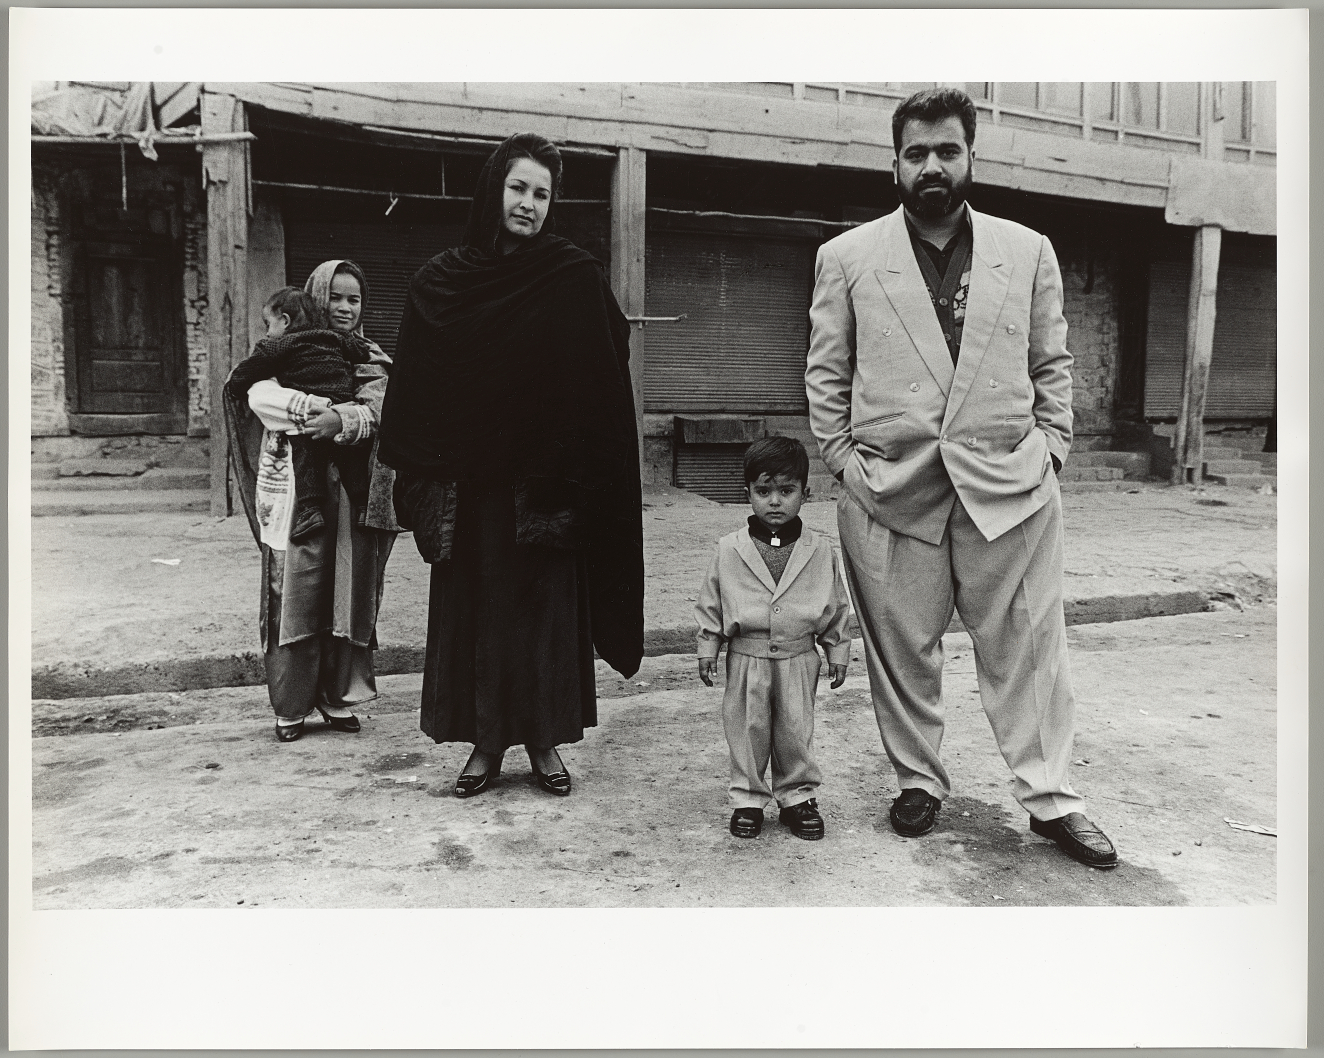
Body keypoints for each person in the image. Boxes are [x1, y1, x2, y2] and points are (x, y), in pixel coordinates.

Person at [804, 88, 1118, 868]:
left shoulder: (1028, 251)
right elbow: (826, 373)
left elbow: (1052, 363)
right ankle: (918, 781)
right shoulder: (847, 257)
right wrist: (844, 463)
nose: (932, 166)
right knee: (902, 649)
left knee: (1030, 649)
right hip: (891, 489)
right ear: (895, 164)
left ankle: (1052, 798)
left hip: (1010, 487)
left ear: (971, 155)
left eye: (947, 150)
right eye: (916, 153)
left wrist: (1052, 449)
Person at [377, 132, 643, 799]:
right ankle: (486, 743)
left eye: (542, 194)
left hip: (546, 486)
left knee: (544, 616)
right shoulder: (444, 281)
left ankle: (544, 741)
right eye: (518, 187)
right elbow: (417, 379)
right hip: (471, 491)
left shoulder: (571, 276)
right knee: (480, 616)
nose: (528, 204)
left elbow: (607, 359)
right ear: (493, 189)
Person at [223, 259, 399, 743]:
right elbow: (256, 395)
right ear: (314, 299)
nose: (344, 308)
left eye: (354, 299)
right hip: (296, 490)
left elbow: (383, 405)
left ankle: (337, 697)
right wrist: (313, 409)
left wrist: (344, 420)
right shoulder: (284, 347)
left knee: (348, 587)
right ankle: (291, 705)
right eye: (334, 297)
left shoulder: (368, 355)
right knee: (294, 589)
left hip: (353, 492)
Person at [695, 437, 852, 841]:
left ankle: (797, 797)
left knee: (795, 729)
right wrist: (708, 645)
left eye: (786, 491)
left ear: (805, 493)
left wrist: (837, 649)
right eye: (763, 491)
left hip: (799, 656)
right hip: (747, 656)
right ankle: (748, 798)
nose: (775, 502)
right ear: (747, 493)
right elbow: (712, 601)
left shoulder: (820, 550)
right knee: (748, 728)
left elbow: (835, 604)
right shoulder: (729, 549)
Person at [227, 286, 373, 542]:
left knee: (306, 455)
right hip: (342, 406)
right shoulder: (335, 337)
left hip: (310, 418)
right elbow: (361, 352)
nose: (267, 332)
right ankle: (363, 506)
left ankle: (309, 510)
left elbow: (242, 376)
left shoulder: (277, 346)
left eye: (268, 324)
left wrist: (235, 386)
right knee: (352, 458)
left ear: (285, 321)